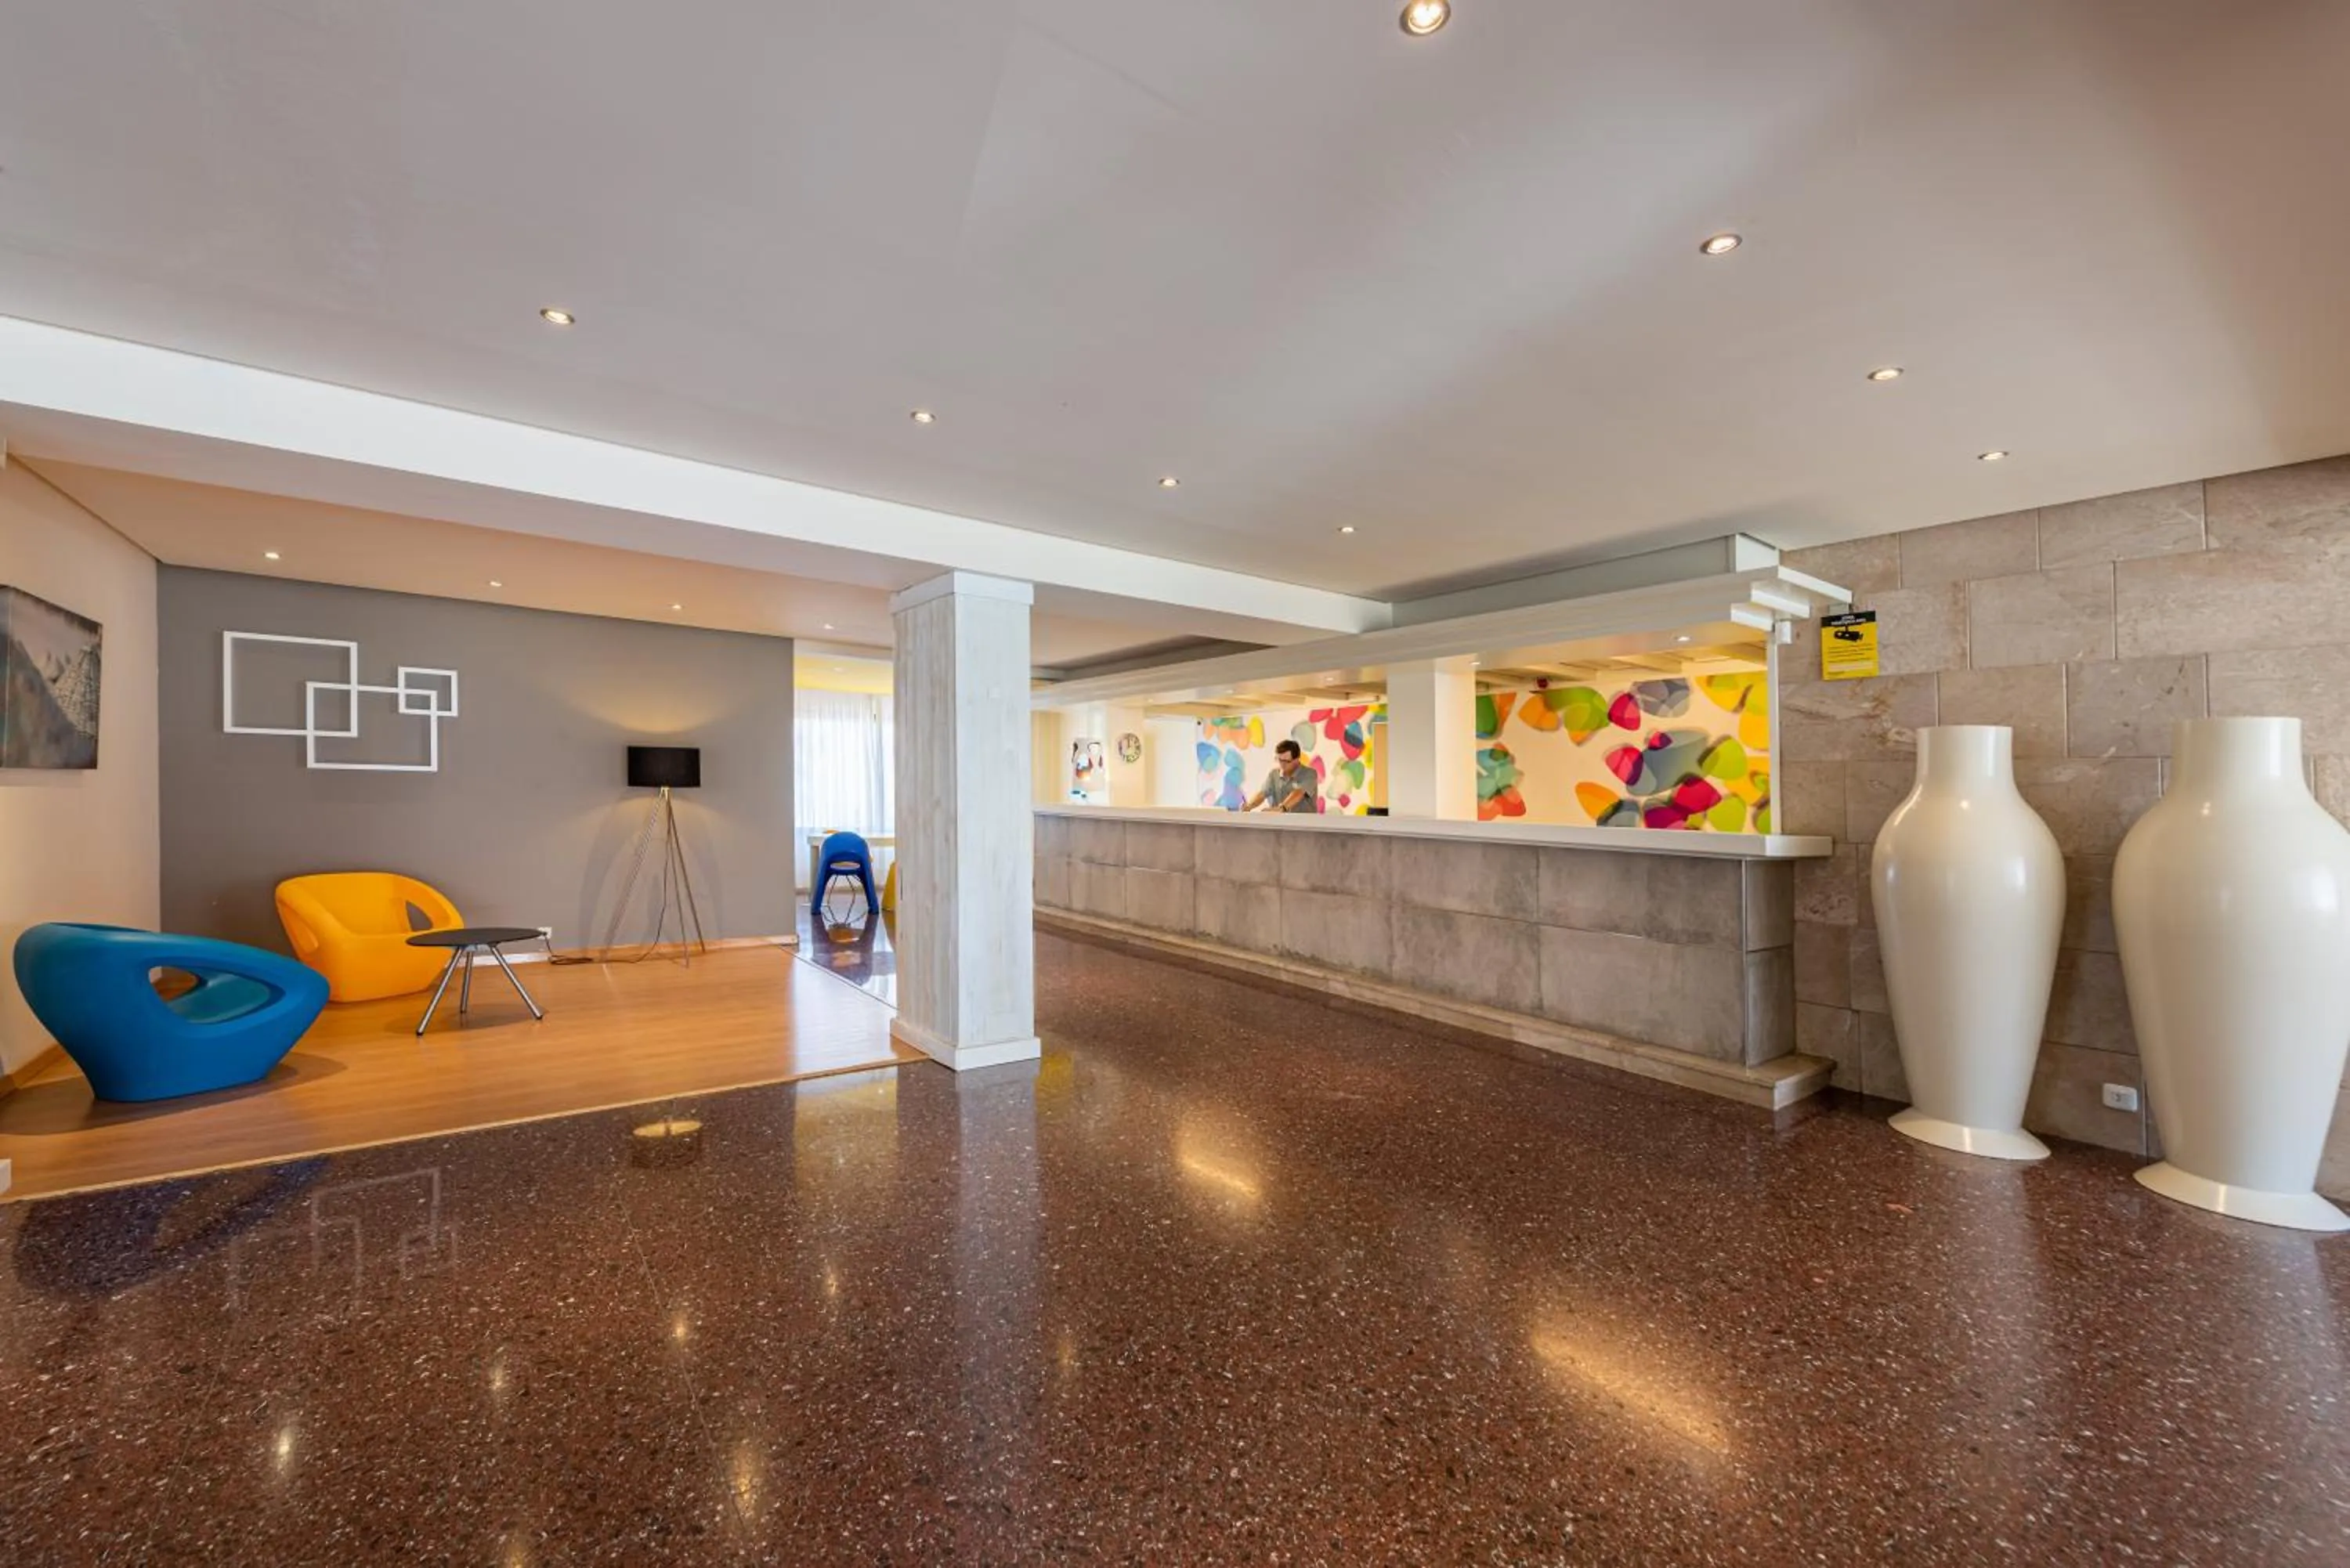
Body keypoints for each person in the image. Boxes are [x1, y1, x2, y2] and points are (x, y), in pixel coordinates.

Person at [1241, 739, 1321, 814]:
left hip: (1304, 825)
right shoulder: (1274, 774)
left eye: (1286, 761)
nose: (1282, 764)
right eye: (1279, 760)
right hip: (1279, 824)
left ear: (1297, 759)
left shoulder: (1309, 774)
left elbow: (1299, 792)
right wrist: (1249, 806)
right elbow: (1262, 793)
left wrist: (1282, 808)